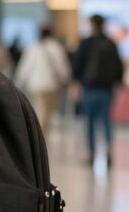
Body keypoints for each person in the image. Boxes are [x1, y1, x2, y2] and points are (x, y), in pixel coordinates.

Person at [72, 14, 125, 166]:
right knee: (106, 121)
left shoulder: (86, 43)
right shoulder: (110, 43)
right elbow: (118, 66)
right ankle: (108, 151)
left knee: (89, 123)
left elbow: (77, 65)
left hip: (89, 88)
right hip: (106, 89)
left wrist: (76, 83)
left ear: (92, 25)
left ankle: (91, 155)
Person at [14, 26, 71, 133]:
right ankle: (40, 135)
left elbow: (25, 66)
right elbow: (62, 66)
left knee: (41, 111)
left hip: (35, 85)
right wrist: (66, 79)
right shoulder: (56, 47)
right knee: (46, 113)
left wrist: (19, 81)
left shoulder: (33, 47)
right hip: (51, 85)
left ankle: (40, 135)